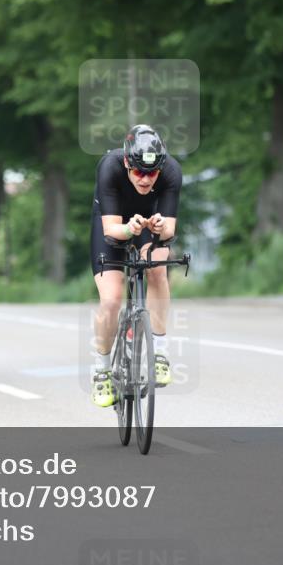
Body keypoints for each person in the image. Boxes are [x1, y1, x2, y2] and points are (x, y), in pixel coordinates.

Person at [89, 125, 183, 407]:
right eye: (139, 171)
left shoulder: (172, 172)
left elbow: (169, 230)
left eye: (151, 173)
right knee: (111, 300)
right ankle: (102, 370)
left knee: (157, 268)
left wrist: (161, 225)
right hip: (114, 224)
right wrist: (129, 229)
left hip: (147, 223)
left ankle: (161, 353)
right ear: (128, 163)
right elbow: (110, 230)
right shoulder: (109, 167)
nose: (145, 179)